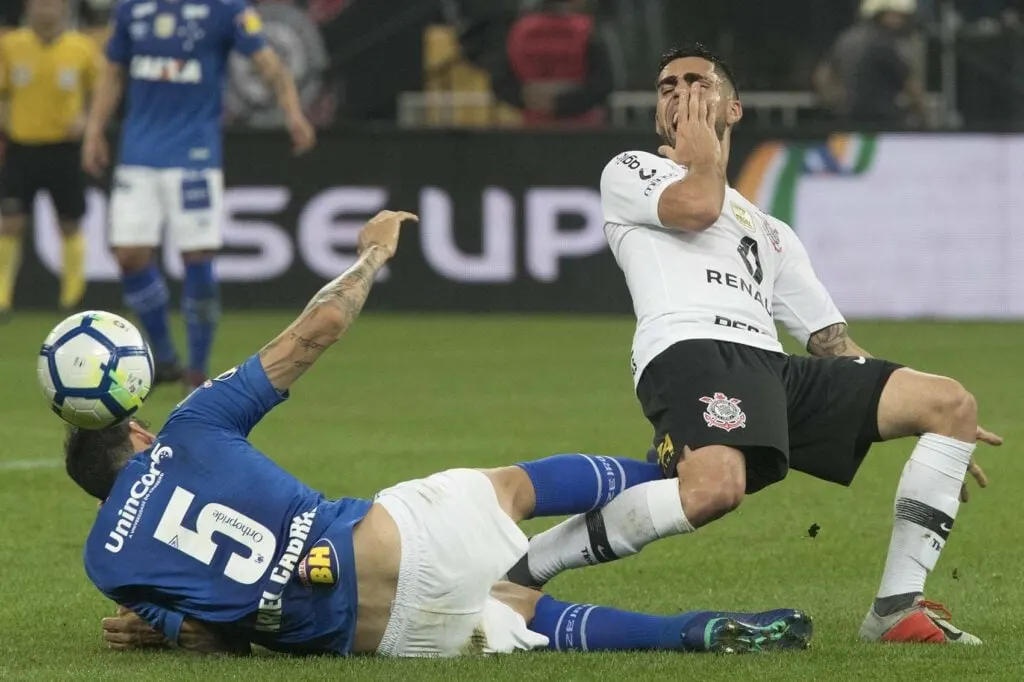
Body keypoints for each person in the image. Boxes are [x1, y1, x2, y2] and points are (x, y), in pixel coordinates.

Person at [71, 210, 812, 658]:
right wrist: (373, 255)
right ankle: (676, 476)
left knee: (533, 622)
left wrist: (162, 630)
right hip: (390, 538)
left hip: (389, 642)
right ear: (137, 434)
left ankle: (692, 633)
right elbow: (318, 329)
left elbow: (215, 638)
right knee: (514, 489)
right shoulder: (190, 423)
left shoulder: (109, 562)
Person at [504, 43, 1004, 645]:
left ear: (733, 108)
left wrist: (938, 443)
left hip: (770, 366)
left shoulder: (771, 231)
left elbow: (829, 339)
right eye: (668, 87)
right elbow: (696, 207)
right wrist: (701, 158)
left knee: (949, 402)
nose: (682, 93)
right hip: (690, 348)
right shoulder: (633, 170)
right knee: (714, 491)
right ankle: (522, 571)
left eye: (697, 82)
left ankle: (897, 611)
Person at [81, 0, 316, 390]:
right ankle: (165, 357)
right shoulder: (131, 10)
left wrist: (292, 112)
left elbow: (269, 64)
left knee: (197, 256)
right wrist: (94, 130)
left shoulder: (225, 10)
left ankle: (197, 369)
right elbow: (113, 73)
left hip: (195, 155)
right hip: (139, 153)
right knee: (129, 255)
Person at [0, 0, 99, 321]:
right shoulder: (10, 45)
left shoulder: (81, 48)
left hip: (64, 148)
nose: (46, 9)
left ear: (64, 8)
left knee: (69, 222)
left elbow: (101, 89)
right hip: (22, 146)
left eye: (52, 3)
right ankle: (2, 299)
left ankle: (73, 298)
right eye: (40, 2)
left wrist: (86, 120)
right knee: (10, 222)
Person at [491, 0, 615, 127]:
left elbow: (499, 81)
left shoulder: (517, 31)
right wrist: (562, 103)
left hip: (531, 126)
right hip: (583, 127)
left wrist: (526, 99)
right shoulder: (589, 31)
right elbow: (604, 83)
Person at [813, 0, 929, 127]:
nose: (903, 21)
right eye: (898, 15)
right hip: (881, 121)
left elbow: (822, 75)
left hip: (847, 121)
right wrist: (925, 118)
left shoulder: (846, 38)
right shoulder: (883, 42)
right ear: (881, 15)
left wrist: (835, 104)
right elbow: (911, 85)